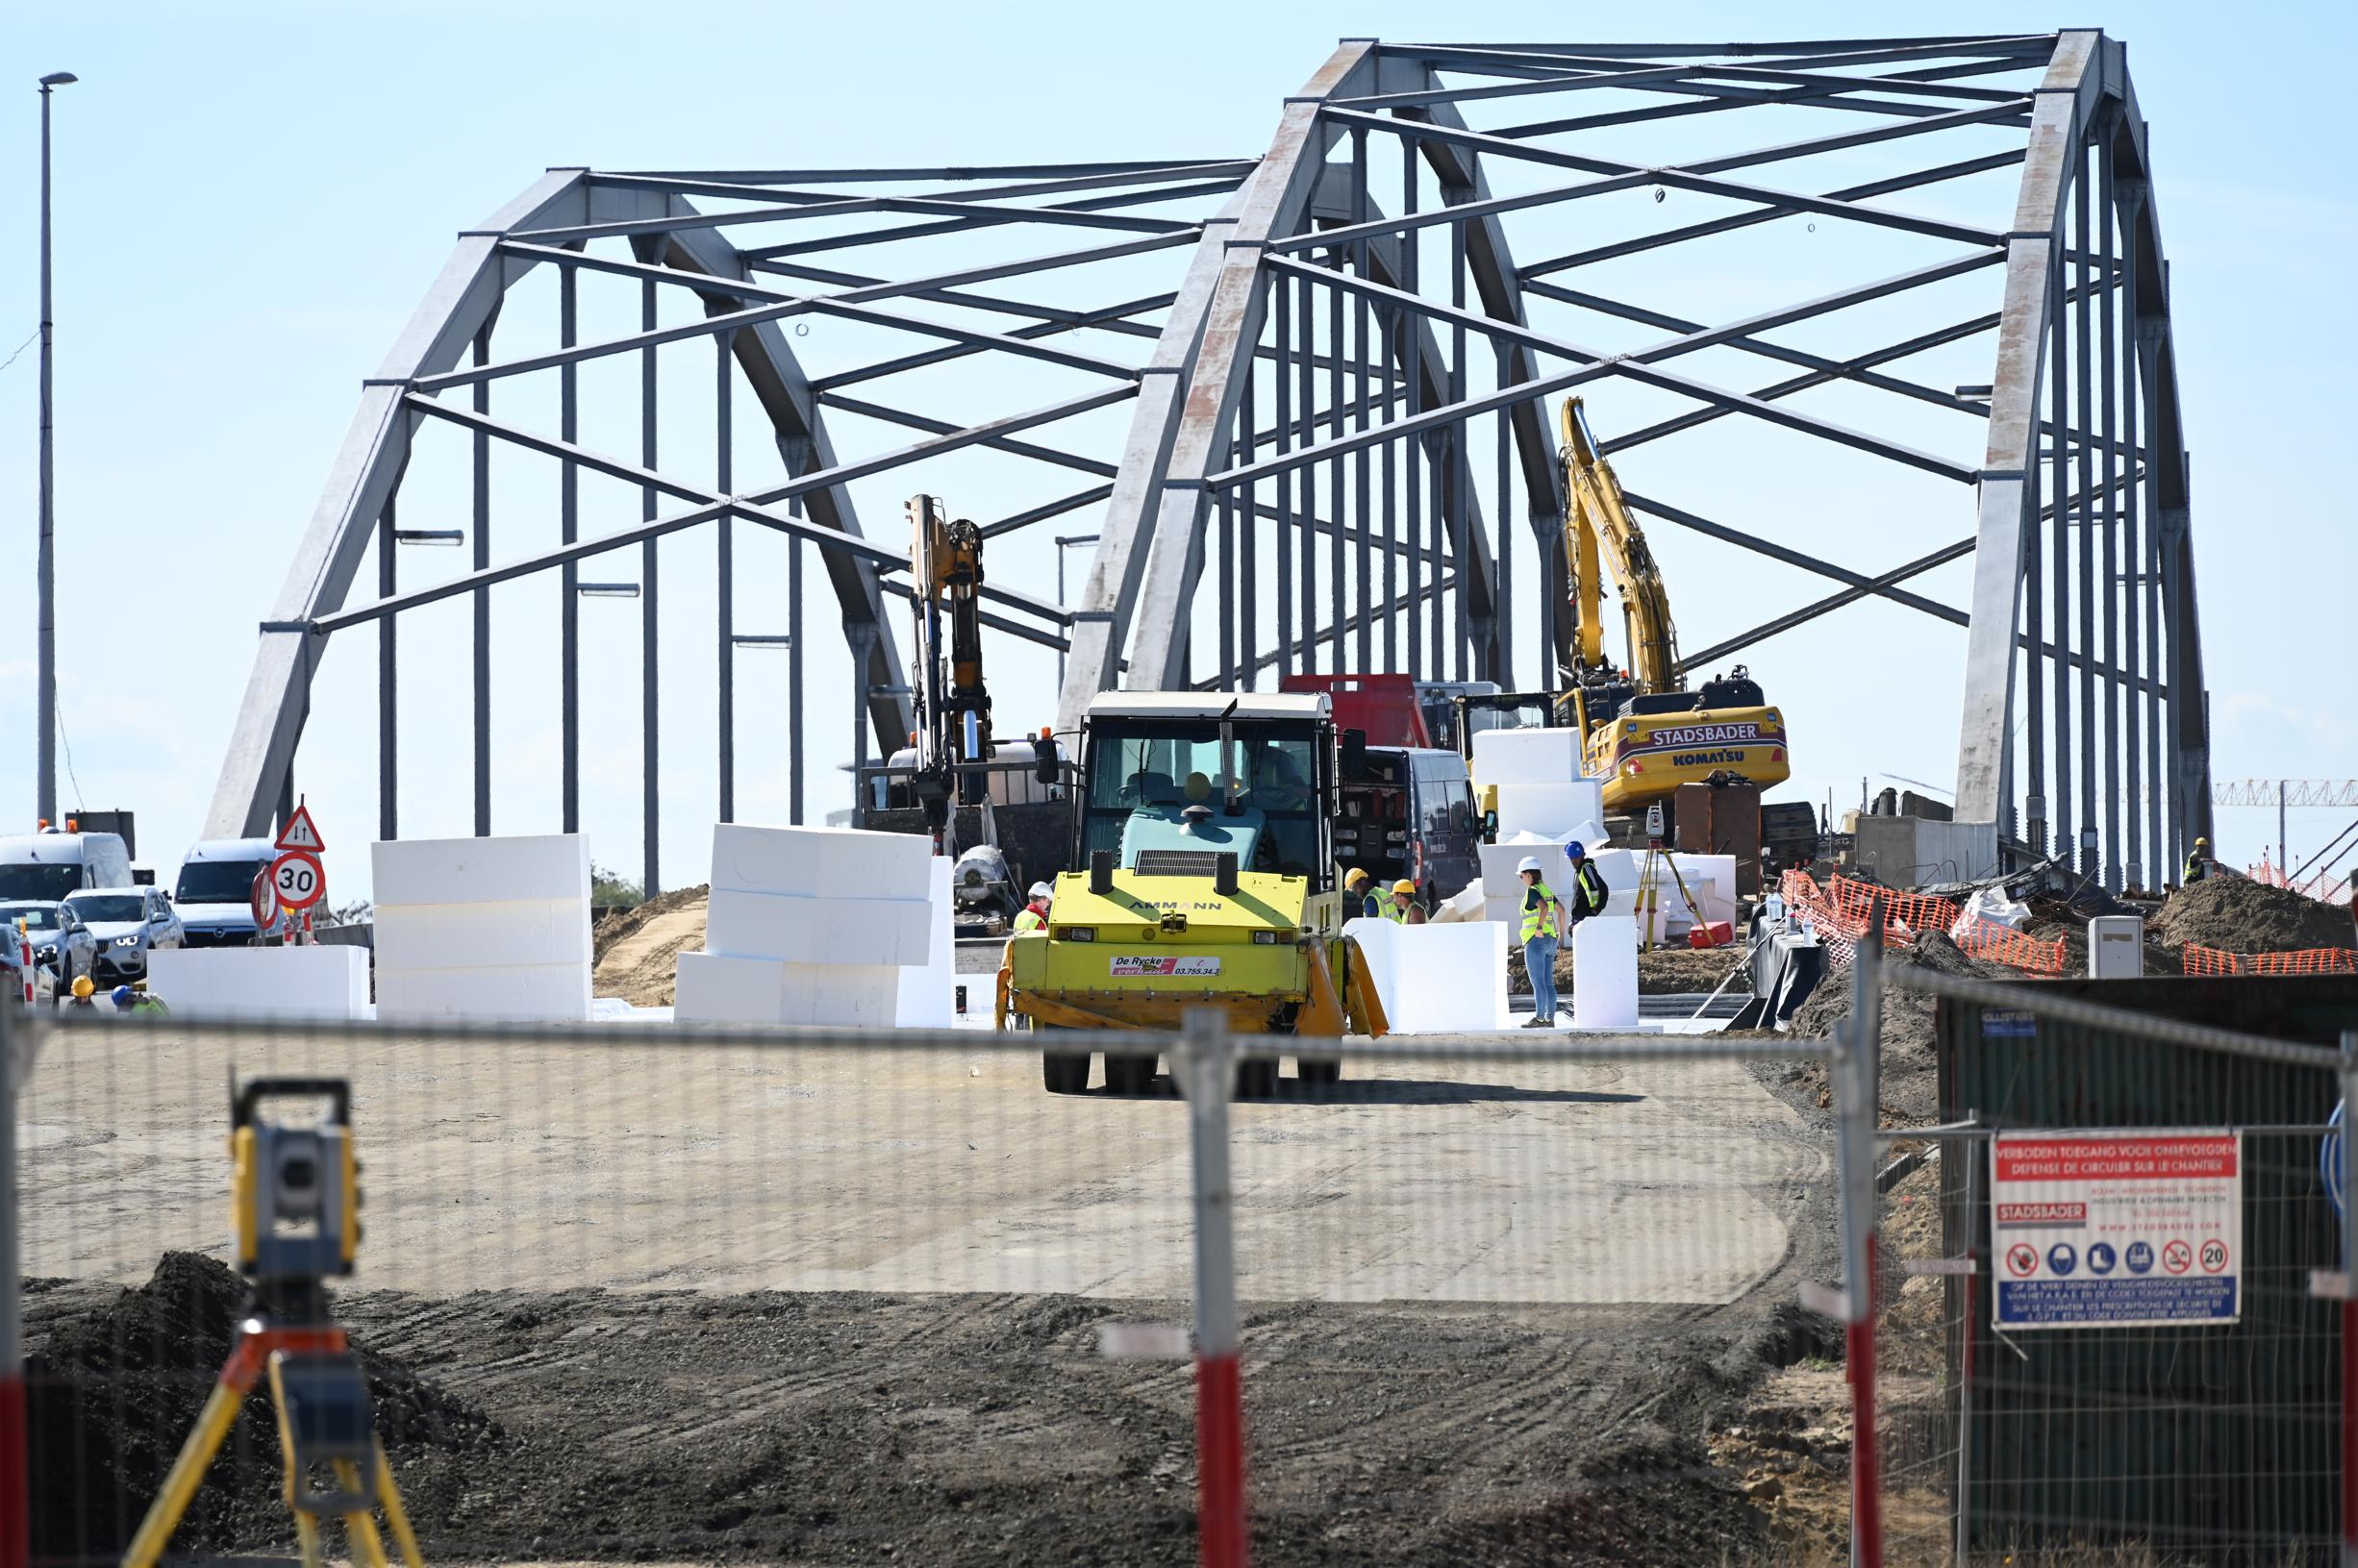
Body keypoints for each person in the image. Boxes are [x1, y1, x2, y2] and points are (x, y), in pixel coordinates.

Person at [1517, 856, 1566, 1028]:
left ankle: (1539, 1018)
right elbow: (1561, 910)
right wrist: (1561, 933)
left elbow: (1543, 908)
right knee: (1548, 983)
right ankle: (1549, 1019)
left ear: (1529, 874)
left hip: (1535, 941)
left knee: (1538, 983)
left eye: (1521, 876)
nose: (1521, 879)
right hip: (1551, 940)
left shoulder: (1532, 891)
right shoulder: (1546, 890)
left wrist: (1538, 928)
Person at [1564, 841, 1612, 928]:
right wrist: (1574, 922)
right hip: (1579, 918)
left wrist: (1597, 910)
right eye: (1571, 858)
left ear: (1583, 855)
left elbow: (1604, 889)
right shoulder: (1579, 872)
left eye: (1576, 857)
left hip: (1586, 917)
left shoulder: (1587, 869)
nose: (1574, 861)